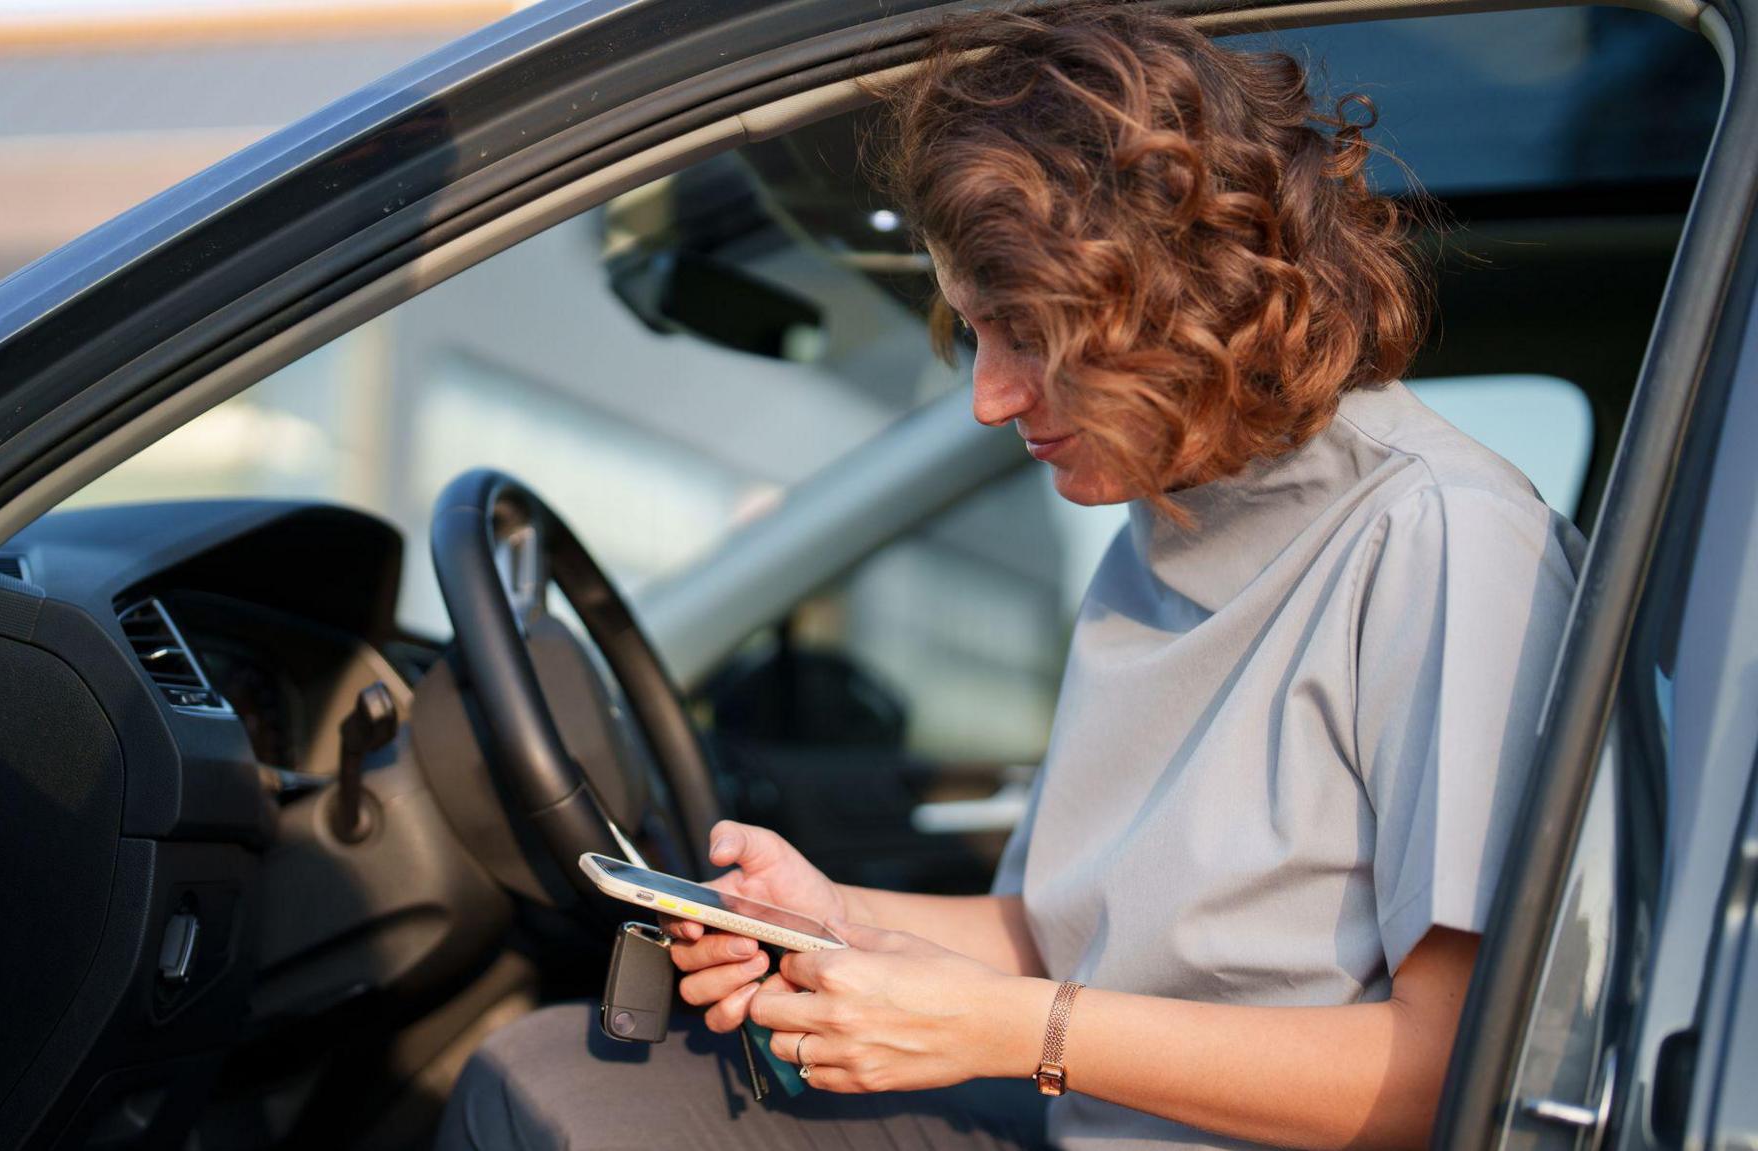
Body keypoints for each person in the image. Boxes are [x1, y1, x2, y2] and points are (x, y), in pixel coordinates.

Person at [435, 4, 1584, 1149]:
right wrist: (835, 916)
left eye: (1027, 334)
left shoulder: (1442, 541)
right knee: (554, 1070)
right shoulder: (1168, 520)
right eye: (974, 330)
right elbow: (1065, 938)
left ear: (1169, 303)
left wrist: (1020, 1033)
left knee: (553, 1098)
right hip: (1087, 1115)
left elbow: (1454, 1072)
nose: (989, 396)